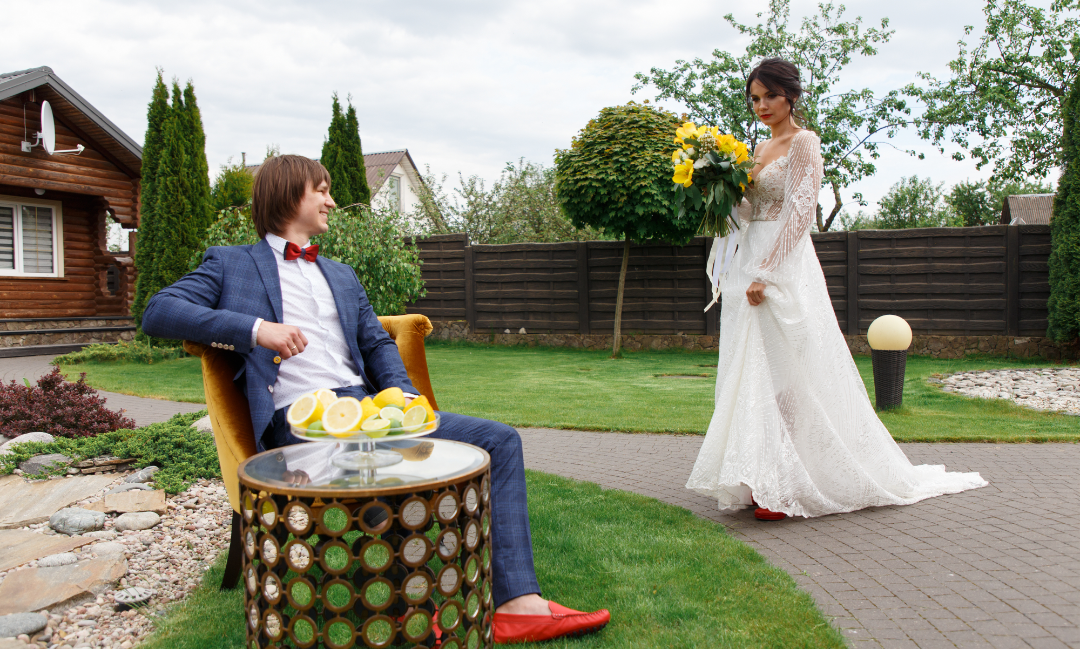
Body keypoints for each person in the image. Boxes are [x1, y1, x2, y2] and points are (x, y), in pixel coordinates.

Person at [142, 154, 610, 643]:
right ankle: (413, 606)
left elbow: (376, 344)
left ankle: (518, 604)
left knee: (499, 440)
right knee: (382, 475)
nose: (332, 200)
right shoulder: (231, 263)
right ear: (287, 193)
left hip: (369, 412)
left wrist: (404, 398)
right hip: (303, 424)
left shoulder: (341, 274)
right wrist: (258, 330)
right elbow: (160, 311)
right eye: (321, 190)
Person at [685, 58, 987, 521]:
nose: (761, 105)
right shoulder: (757, 149)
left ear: (791, 95)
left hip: (784, 264)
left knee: (791, 372)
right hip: (749, 261)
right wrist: (717, 188)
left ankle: (789, 482)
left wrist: (768, 271)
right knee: (751, 372)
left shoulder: (804, 143)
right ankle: (759, 475)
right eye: (755, 98)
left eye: (769, 96)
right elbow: (748, 213)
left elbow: (801, 212)